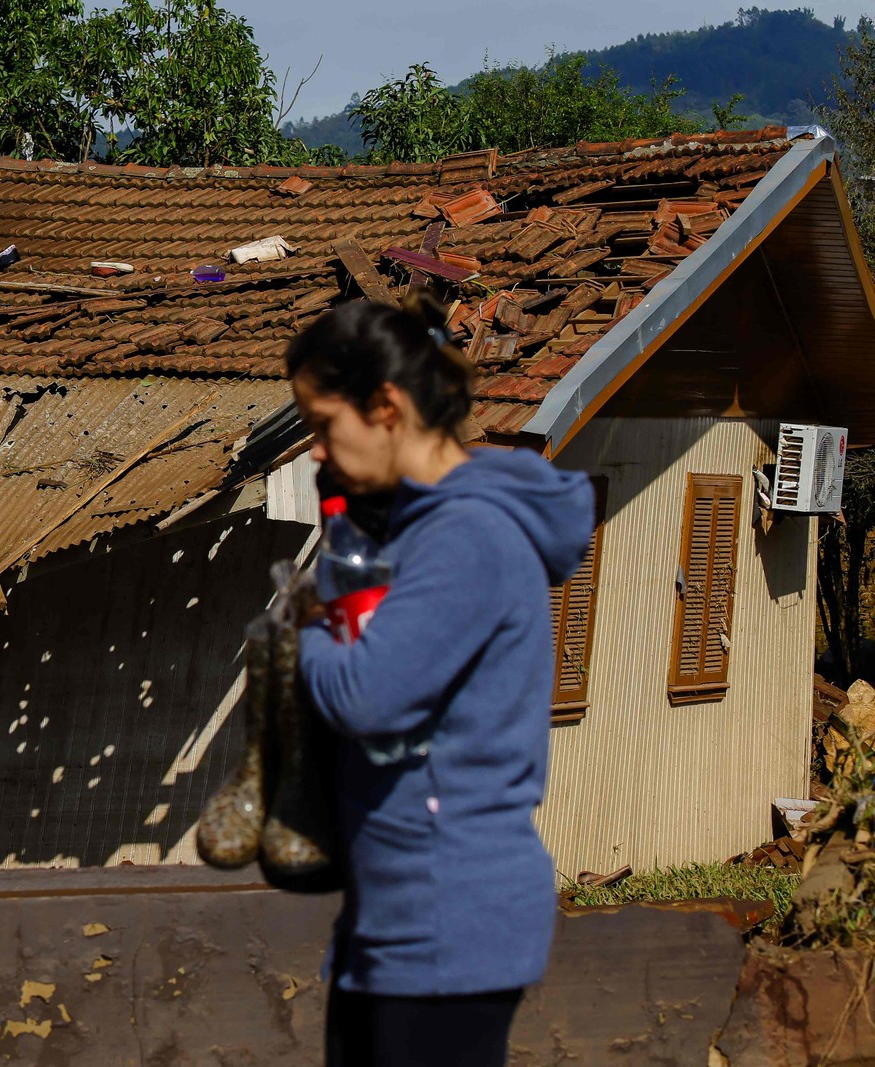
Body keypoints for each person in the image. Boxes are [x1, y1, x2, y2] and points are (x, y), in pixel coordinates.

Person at [287, 295, 596, 1067]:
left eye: (324, 426)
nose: (317, 453)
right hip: (401, 915)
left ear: (385, 407)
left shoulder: (468, 537)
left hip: (448, 920)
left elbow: (367, 694)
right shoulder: (420, 529)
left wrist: (312, 630)